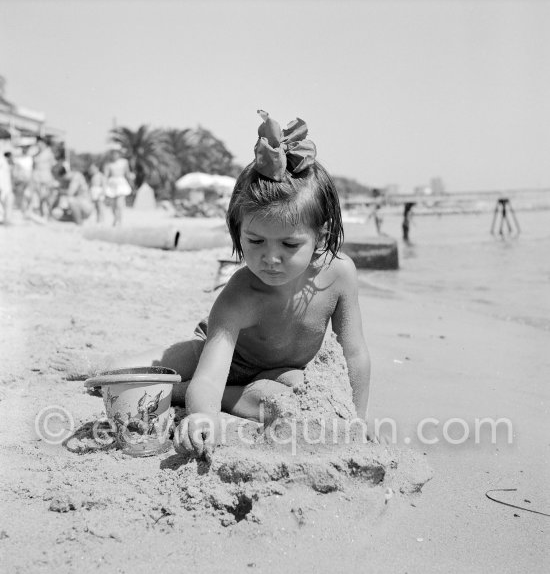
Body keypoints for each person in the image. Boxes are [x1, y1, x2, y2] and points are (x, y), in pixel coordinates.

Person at [103, 111, 371, 459]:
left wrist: (357, 419)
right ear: (237, 231)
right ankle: (103, 369)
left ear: (320, 235)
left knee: (297, 397)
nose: (270, 258)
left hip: (284, 371)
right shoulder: (240, 295)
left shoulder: (339, 275)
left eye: (289, 246)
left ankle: (185, 393)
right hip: (216, 353)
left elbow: (355, 354)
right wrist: (203, 417)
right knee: (124, 375)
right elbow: (212, 375)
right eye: (255, 242)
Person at [103, 148, 133, 226]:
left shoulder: (124, 162)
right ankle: (116, 218)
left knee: (119, 204)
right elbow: (105, 176)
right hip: (112, 184)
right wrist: (104, 186)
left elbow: (127, 173)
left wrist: (131, 180)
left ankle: (119, 221)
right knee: (113, 205)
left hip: (121, 183)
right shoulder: (108, 164)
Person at [32, 136, 57, 218]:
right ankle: (41, 213)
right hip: (37, 177)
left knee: (46, 197)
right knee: (38, 196)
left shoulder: (49, 153)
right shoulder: (37, 153)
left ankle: (48, 214)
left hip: (46, 177)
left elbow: (54, 166)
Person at [0, 148, 14, 225]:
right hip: (3, 186)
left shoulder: (6, 163)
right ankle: (3, 219)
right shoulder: (2, 161)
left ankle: (5, 219)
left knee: (7, 203)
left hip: (6, 187)